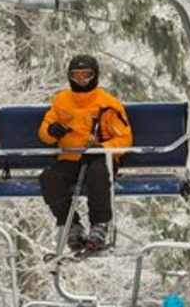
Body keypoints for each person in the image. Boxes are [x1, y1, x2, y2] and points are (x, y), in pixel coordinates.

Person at [38, 52, 131, 255]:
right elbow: (45, 132)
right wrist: (52, 132)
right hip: (70, 156)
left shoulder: (108, 103)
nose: (80, 80)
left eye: (86, 75)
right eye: (76, 76)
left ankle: (100, 223)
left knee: (97, 175)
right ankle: (71, 224)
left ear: (95, 76)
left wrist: (103, 148)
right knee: (49, 178)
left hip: (99, 158)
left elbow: (124, 139)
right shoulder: (62, 100)